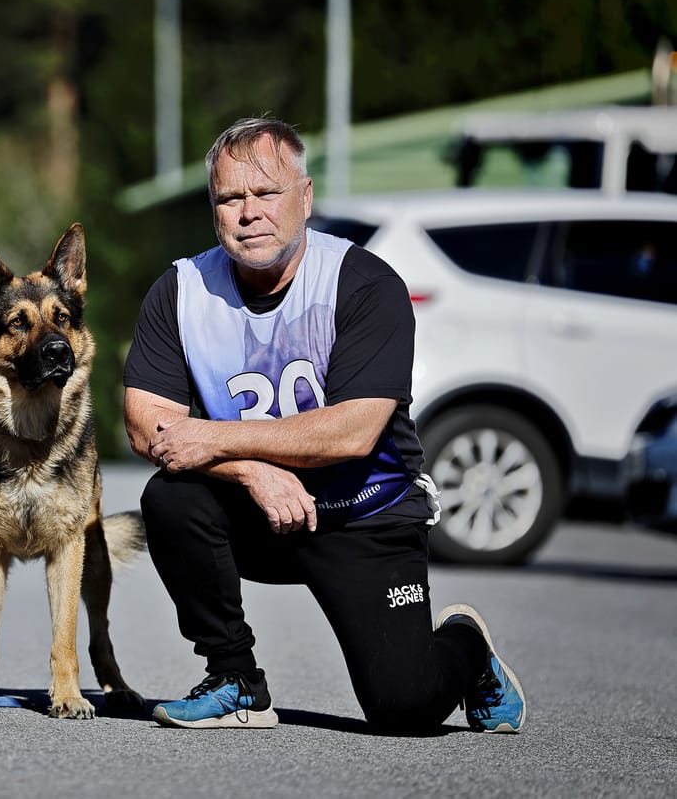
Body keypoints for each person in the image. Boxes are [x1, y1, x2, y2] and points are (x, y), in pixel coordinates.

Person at [122, 117, 526, 734]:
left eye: (266, 194)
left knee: (404, 709)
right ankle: (235, 680)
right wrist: (252, 471)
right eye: (230, 199)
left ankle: (467, 650)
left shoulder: (363, 283)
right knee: (171, 497)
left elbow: (352, 433)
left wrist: (218, 438)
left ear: (305, 198)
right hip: (259, 508)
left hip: (366, 510)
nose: (248, 213)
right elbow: (149, 425)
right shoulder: (180, 290)